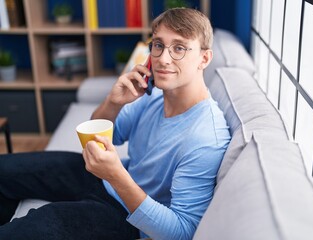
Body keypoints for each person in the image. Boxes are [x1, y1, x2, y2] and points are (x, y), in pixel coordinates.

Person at [0, 8, 230, 240]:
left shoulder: (206, 138)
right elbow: (109, 135)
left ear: (204, 58)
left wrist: (116, 175)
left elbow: (181, 232)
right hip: (106, 179)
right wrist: (114, 101)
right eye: (158, 45)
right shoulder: (153, 94)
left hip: (128, 216)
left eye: (179, 48)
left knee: (33, 227)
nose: (163, 58)